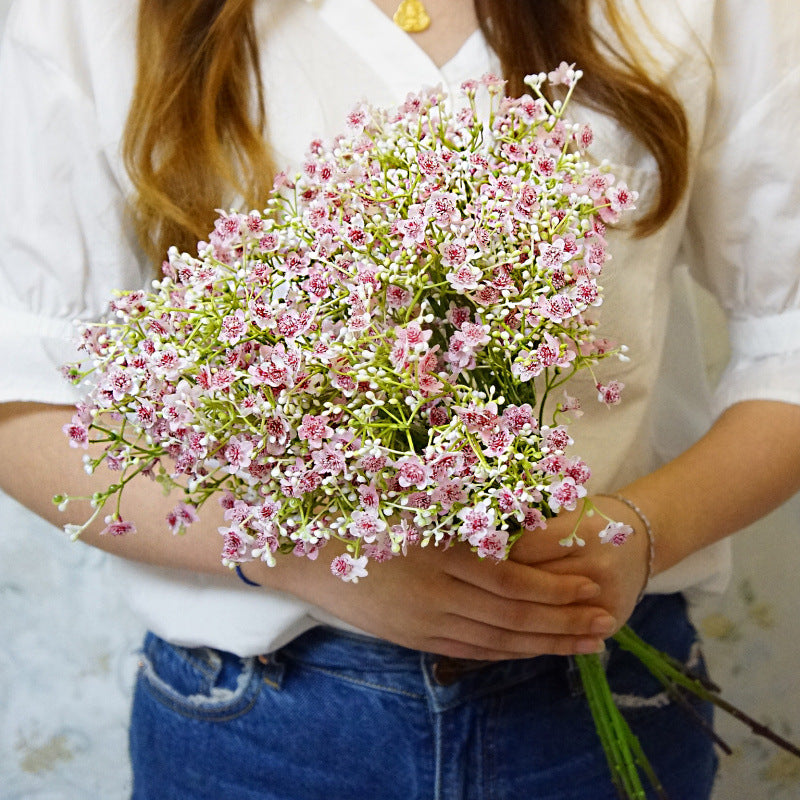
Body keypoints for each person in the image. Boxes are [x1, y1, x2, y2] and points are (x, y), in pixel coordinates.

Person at [1, 0, 799, 797]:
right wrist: (297, 555)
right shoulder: (81, 17)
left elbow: (787, 344)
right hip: (256, 729)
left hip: (593, 689)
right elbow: (22, 402)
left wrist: (638, 534)